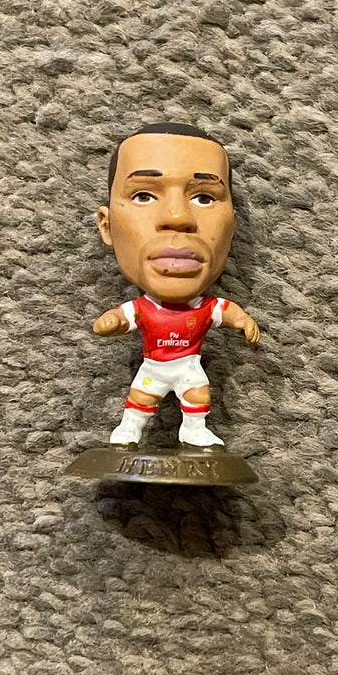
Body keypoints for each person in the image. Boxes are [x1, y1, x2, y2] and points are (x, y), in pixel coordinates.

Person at [94, 122, 259, 449]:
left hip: (188, 367)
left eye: (204, 197)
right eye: (143, 195)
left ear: (232, 228)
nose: (178, 217)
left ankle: (194, 431)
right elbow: (124, 318)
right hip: (154, 367)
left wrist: (242, 320)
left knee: (197, 396)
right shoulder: (143, 308)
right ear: (107, 226)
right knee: (140, 399)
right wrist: (112, 321)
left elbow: (227, 312)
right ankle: (128, 430)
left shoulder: (206, 308)